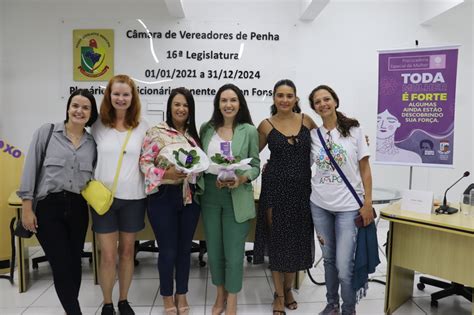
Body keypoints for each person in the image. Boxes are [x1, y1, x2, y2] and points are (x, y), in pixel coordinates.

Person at [17, 89, 98, 315]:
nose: (79, 111)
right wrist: (26, 206)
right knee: (61, 265)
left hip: (78, 208)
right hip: (48, 207)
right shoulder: (48, 132)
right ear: (68, 108)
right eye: (75, 105)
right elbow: (30, 169)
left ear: (91, 113)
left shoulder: (91, 143)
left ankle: (71, 308)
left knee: (74, 266)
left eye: (85, 108)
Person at [308, 85, 374, 315]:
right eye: (317, 101)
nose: (323, 104)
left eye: (327, 99)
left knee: (344, 266)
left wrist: (367, 203)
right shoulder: (313, 136)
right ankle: (332, 304)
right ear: (314, 108)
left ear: (335, 101)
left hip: (348, 208)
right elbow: (302, 166)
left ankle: (348, 309)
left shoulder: (355, 131)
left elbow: (365, 169)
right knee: (328, 260)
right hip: (319, 206)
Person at [254, 79, 316, 315]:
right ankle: (279, 295)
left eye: (289, 95)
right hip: (275, 192)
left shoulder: (307, 121)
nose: (284, 100)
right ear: (273, 98)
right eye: (280, 95)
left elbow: (327, 146)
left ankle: (289, 288)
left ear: (296, 99)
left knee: (297, 243)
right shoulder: (266, 125)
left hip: (302, 192)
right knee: (278, 243)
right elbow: (252, 154)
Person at [198, 84, 260, 315]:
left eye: (233, 100)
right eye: (223, 100)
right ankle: (219, 294)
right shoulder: (207, 128)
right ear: (217, 104)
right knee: (214, 251)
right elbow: (201, 161)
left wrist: (242, 178)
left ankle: (232, 299)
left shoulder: (249, 130)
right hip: (211, 196)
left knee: (234, 253)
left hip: (237, 196)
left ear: (240, 103)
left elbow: (255, 165)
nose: (228, 104)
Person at [139, 87, 202, 315]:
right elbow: (144, 164)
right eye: (177, 104)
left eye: (185, 105)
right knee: (167, 250)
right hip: (163, 197)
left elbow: (199, 166)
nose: (181, 109)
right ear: (170, 106)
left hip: (189, 197)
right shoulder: (156, 132)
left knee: (185, 250)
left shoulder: (193, 136)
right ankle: (167, 296)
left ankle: (181, 293)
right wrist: (167, 175)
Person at [91, 74, 149, 315]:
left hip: (134, 198)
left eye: (126, 94)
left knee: (127, 252)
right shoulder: (97, 126)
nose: (121, 98)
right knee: (107, 254)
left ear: (133, 97)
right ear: (109, 96)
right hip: (104, 200)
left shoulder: (143, 126)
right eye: (117, 94)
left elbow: (149, 160)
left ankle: (123, 300)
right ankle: (107, 302)